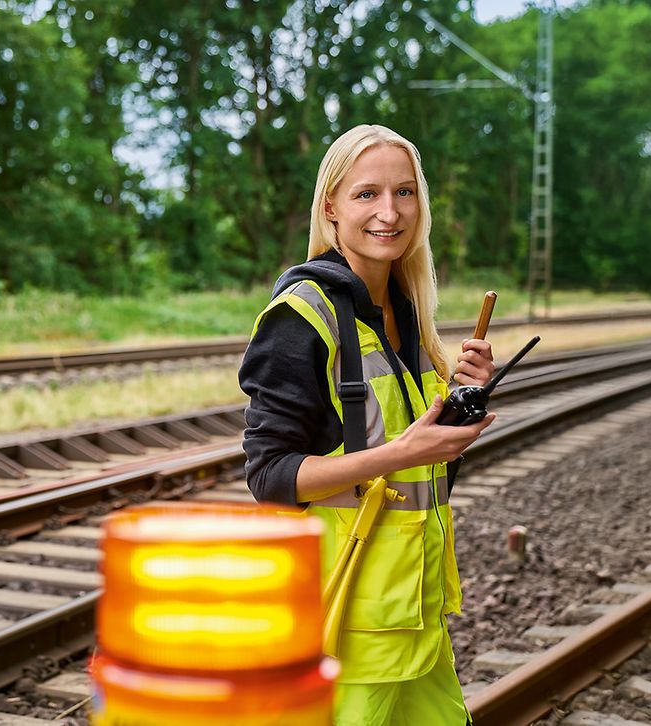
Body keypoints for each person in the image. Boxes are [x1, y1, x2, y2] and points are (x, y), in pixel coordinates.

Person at [239, 124, 495, 725]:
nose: (389, 212)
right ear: (330, 207)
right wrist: (402, 452)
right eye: (366, 194)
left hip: (415, 616)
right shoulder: (300, 317)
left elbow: (421, 471)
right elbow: (270, 476)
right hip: (345, 624)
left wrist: (462, 400)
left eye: (404, 193)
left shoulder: (403, 311)